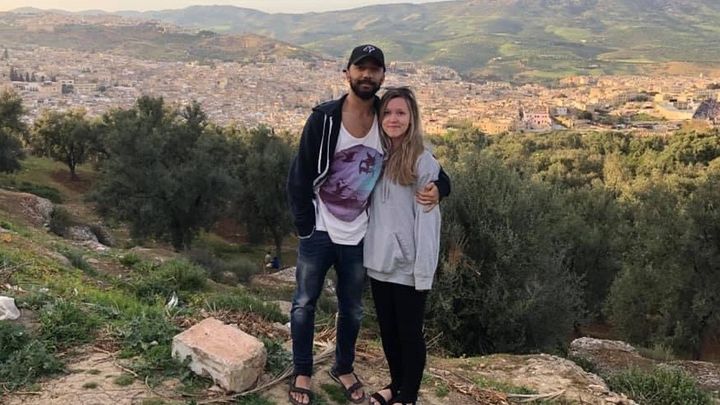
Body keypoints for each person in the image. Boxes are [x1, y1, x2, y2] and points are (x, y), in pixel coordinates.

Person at [286, 45, 450, 405]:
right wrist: (306, 227)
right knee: (304, 303)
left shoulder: (385, 117)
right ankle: (302, 371)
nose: (367, 75)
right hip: (320, 230)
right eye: (361, 68)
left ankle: (344, 367)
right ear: (347, 72)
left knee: (353, 308)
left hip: (360, 234)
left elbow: (427, 163)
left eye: (374, 70)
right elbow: (298, 175)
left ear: (382, 77)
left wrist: (442, 186)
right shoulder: (325, 119)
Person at [364, 87, 442, 405]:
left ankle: (408, 396)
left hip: (408, 264)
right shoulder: (375, 156)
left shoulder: (423, 162)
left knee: (409, 333)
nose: (393, 119)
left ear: (412, 118)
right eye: (387, 112)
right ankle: (395, 385)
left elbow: (428, 222)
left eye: (400, 113)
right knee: (388, 331)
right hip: (378, 259)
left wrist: (423, 269)